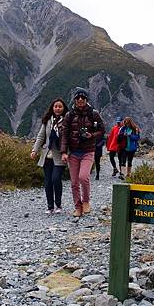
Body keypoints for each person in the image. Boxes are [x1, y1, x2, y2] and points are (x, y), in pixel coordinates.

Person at [60, 87, 105, 217]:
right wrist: (63, 152)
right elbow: (64, 134)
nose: (80, 100)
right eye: (78, 98)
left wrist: (92, 135)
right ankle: (77, 207)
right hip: (73, 152)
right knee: (74, 182)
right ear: (74, 100)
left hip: (88, 151)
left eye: (83, 98)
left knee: (83, 177)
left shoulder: (93, 113)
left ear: (86, 99)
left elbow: (102, 130)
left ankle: (86, 202)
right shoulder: (69, 115)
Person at [31, 98, 68, 214]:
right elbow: (41, 136)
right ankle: (50, 206)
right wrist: (35, 150)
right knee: (48, 182)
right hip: (46, 155)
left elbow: (68, 139)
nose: (57, 108)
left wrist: (66, 153)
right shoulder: (47, 121)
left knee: (56, 179)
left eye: (60, 106)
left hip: (60, 155)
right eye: (56, 106)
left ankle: (58, 205)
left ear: (63, 108)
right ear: (52, 108)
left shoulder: (67, 121)